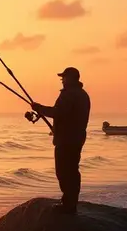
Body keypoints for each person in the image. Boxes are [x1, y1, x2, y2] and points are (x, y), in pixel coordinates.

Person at [31, 67, 91, 214]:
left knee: (63, 172)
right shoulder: (83, 94)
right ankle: (71, 202)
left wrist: (40, 108)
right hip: (76, 137)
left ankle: (68, 204)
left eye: (63, 77)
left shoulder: (69, 94)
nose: (62, 80)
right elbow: (66, 115)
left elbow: (58, 112)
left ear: (70, 78)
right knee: (72, 170)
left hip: (67, 139)